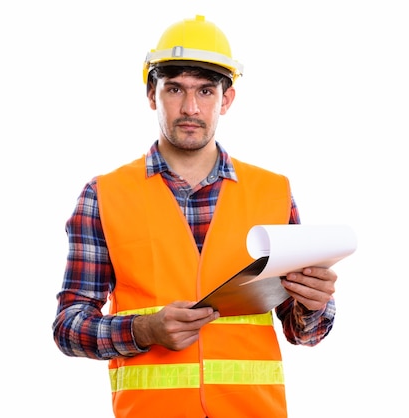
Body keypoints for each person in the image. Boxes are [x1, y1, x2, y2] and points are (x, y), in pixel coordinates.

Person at [52, 15, 338, 418]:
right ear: (152, 94)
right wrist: (142, 330)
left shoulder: (273, 192)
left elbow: (301, 332)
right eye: (175, 89)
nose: (190, 107)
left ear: (227, 99)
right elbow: (68, 327)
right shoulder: (104, 195)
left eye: (205, 90)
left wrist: (313, 305)